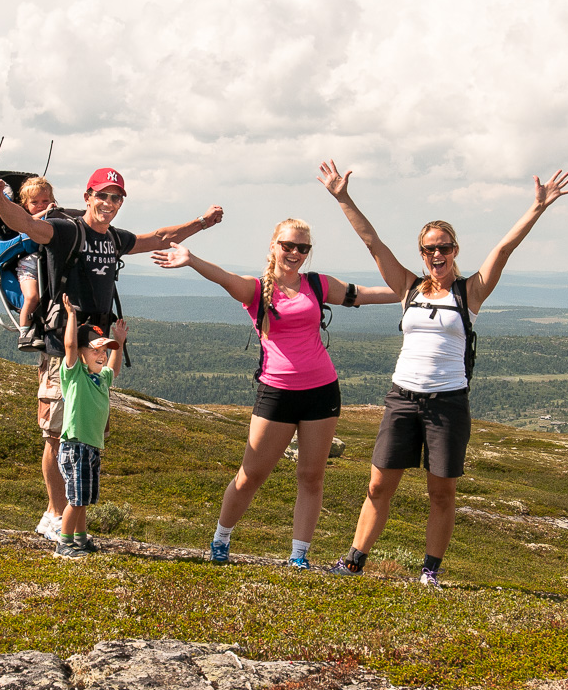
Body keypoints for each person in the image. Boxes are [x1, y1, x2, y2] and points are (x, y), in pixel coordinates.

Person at [319, 159, 568, 586]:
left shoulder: (469, 291)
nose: (437, 255)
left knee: (442, 492)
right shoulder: (407, 288)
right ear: (421, 254)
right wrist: (343, 197)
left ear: (455, 251)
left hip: (448, 403)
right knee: (379, 487)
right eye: (429, 249)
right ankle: (354, 561)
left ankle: (429, 573)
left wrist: (538, 207)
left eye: (445, 248)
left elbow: (504, 250)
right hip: (402, 398)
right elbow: (372, 243)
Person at [0, 167, 224, 541]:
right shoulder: (66, 232)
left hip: (97, 347)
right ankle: (53, 513)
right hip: (62, 347)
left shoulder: (114, 239)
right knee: (55, 433)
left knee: (83, 433)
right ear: (87, 197)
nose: (109, 203)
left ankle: (70, 520)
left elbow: (160, 237)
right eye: (103, 195)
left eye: (116, 198)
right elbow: (28, 225)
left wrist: (202, 223)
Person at [151, 218, 398, 569]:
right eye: (288, 245)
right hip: (276, 393)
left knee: (312, 476)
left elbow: (366, 295)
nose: (295, 253)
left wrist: (415, 289)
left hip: (322, 392)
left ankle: (299, 556)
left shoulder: (317, 284)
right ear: (273, 246)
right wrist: (191, 260)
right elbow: (226, 279)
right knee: (251, 475)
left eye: (303, 248)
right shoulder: (257, 289)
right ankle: (221, 537)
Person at [54, 294, 127, 559]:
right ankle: (63, 544)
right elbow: (70, 344)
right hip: (75, 445)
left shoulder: (101, 378)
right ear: (82, 354)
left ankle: (81, 539)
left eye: (104, 350)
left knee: (84, 497)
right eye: (95, 350)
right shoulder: (74, 374)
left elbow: (114, 369)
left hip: (91, 446)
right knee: (77, 498)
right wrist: (72, 315)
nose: (101, 355)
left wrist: (119, 341)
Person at [15, 176, 57, 351]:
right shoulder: (21, 219)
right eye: (35, 202)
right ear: (26, 206)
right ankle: (24, 333)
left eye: (45, 201)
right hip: (28, 267)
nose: (41, 205)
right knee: (32, 297)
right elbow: (28, 225)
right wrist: (47, 212)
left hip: (48, 265)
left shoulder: (54, 219)